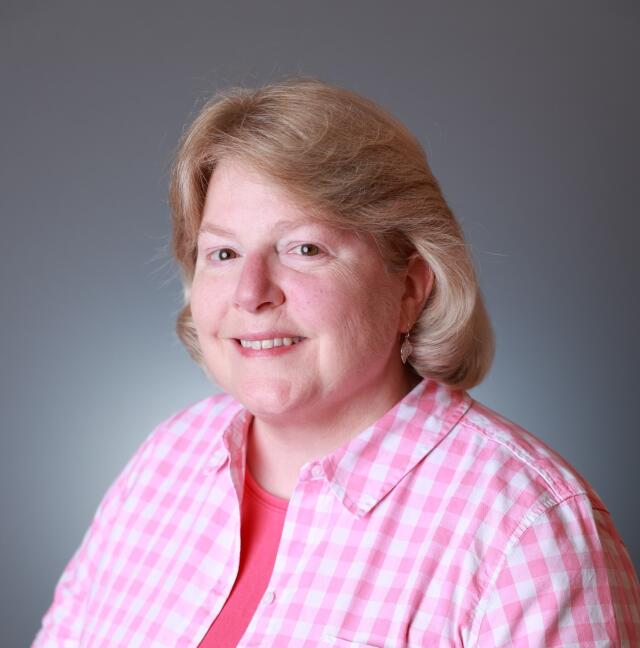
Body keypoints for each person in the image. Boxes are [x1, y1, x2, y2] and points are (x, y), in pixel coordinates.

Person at [33, 78, 639, 647]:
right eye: (222, 252)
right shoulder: (168, 458)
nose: (251, 293)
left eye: (304, 248)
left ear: (410, 287)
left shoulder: (526, 529)